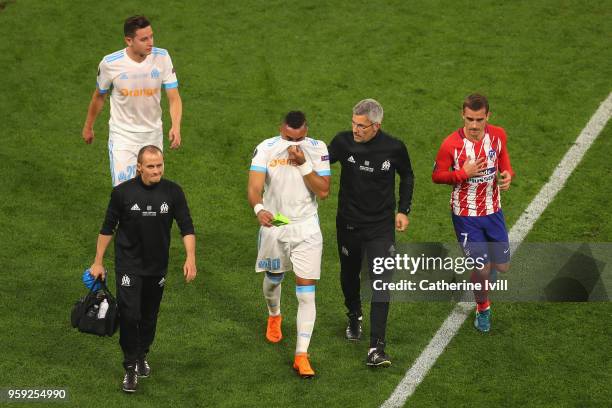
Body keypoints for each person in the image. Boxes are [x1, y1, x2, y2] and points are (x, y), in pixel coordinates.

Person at [89, 145, 197, 393]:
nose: (156, 170)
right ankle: (129, 368)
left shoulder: (173, 192)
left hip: (157, 267)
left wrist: (190, 257)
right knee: (129, 315)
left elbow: (186, 227)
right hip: (129, 265)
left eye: (159, 165)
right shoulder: (122, 193)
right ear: (139, 167)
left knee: (149, 316)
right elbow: (108, 228)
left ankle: (141, 355)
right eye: (151, 166)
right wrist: (98, 261)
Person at [328, 99, 414, 367]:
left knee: (381, 283)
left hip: (380, 227)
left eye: (362, 126)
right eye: (354, 123)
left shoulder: (394, 147)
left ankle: (376, 348)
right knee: (349, 274)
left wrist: (403, 210)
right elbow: (319, 167)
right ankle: (354, 314)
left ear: (376, 126)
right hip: (349, 224)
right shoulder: (342, 143)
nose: (355, 130)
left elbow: (407, 175)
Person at [247, 111, 331, 378]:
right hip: (278, 222)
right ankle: (275, 315)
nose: (294, 144)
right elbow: (254, 186)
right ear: (280, 129)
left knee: (306, 293)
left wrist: (304, 164)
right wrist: (259, 208)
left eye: (300, 138)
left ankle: (301, 355)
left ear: (307, 131)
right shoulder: (267, 148)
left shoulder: (318, 149)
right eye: (288, 137)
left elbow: (324, 191)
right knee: (274, 279)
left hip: (306, 225)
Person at [432, 93, 514, 333]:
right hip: (465, 215)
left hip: (493, 210)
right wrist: (462, 173)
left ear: (488, 116)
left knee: (503, 267)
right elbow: (437, 175)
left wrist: (508, 175)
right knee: (482, 268)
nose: (475, 125)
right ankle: (483, 307)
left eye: (479, 119)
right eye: (470, 119)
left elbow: (504, 160)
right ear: (463, 116)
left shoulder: (498, 135)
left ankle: (484, 279)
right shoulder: (451, 145)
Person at [82, 15, 182, 186]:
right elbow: (99, 96)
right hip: (123, 136)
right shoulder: (110, 64)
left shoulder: (162, 57)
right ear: (129, 41)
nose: (150, 42)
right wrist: (88, 126)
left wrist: (176, 126)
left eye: (151, 36)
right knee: (124, 193)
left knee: (151, 190)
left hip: (153, 134)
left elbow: (174, 97)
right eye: (144, 39)